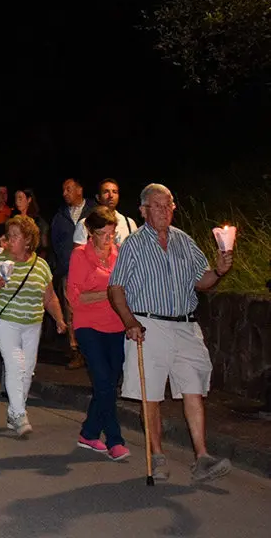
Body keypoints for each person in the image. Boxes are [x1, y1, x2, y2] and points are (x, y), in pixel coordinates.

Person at [107, 183, 234, 482]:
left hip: (186, 325)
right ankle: (158, 455)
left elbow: (200, 282)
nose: (165, 210)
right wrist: (130, 322)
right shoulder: (134, 244)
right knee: (150, 395)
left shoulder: (184, 241)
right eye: (157, 205)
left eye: (169, 205)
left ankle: (202, 457)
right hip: (149, 324)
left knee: (193, 388)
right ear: (143, 210)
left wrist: (217, 271)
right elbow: (115, 288)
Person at [0, 215, 66, 436]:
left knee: (27, 371)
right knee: (16, 364)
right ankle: (19, 414)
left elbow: (50, 297)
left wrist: (59, 318)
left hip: (32, 325)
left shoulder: (41, 265)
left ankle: (14, 411)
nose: (9, 240)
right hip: (6, 321)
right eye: (8, 236)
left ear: (28, 240)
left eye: (15, 236)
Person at [67, 206, 130, 461]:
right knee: (103, 382)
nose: (109, 238)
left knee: (108, 386)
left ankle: (89, 432)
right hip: (88, 326)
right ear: (90, 233)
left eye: (112, 233)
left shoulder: (119, 255)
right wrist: (110, 293)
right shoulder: (80, 255)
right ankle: (115, 439)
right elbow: (76, 297)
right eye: (103, 233)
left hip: (117, 326)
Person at [51, 178, 96, 370]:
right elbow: (55, 242)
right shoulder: (60, 216)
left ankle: (93, 350)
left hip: (94, 271)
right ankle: (75, 350)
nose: (65, 193)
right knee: (71, 311)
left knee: (92, 309)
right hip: (69, 270)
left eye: (68, 189)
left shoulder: (94, 211)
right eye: (63, 190)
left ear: (80, 190)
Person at [73, 178, 138, 247]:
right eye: (106, 192)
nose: (111, 195)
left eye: (114, 192)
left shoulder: (129, 223)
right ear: (98, 197)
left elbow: (136, 251)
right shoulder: (85, 224)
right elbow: (78, 254)